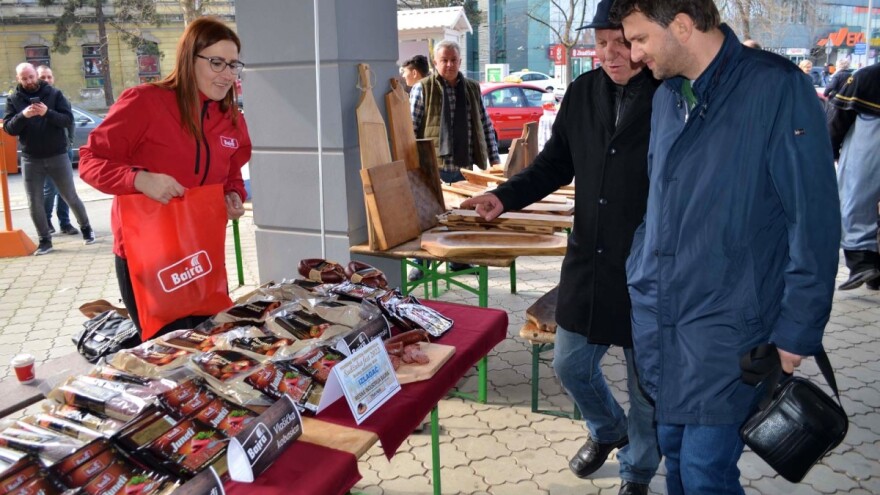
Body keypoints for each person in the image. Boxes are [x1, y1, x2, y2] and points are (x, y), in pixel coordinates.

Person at [609, 0, 840, 493]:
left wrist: (797, 331)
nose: (633, 54)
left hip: (731, 331)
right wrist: (639, 267)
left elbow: (814, 220)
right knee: (675, 456)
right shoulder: (667, 96)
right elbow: (658, 201)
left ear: (682, 26)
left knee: (703, 472)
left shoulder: (776, 87)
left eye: (640, 39)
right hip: (662, 321)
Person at [460, 1, 660, 493]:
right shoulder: (583, 92)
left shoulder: (669, 93)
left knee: (647, 387)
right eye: (602, 44)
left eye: (622, 43)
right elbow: (554, 164)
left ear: (642, 41)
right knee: (570, 363)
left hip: (649, 266)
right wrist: (503, 196)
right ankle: (607, 428)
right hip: (590, 258)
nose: (610, 54)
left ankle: (637, 468)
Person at [79, 17, 251, 339]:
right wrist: (139, 179)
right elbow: (90, 160)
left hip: (202, 250)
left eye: (233, 65)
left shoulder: (230, 118)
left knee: (211, 344)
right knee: (167, 350)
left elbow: (231, 171)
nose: (228, 75)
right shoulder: (145, 101)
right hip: (149, 253)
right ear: (189, 58)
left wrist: (233, 194)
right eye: (217, 63)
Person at [409, 40, 501, 278]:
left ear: (460, 62)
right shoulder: (423, 88)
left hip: (463, 166)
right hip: (432, 167)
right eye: (444, 60)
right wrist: (410, 165)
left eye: (453, 60)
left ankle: (458, 261)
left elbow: (485, 124)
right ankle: (422, 264)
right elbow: (410, 129)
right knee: (428, 216)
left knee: (462, 217)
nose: (449, 64)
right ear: (435, 62)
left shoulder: (472, 88)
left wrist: (494, 160)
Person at [2, 63, 96, 255]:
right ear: (18, 79)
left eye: (31, 77)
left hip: (57, 154)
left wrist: (47, 112)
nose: (29, 81)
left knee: (69, 195)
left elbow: (67, 120)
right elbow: (9, 128)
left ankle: (86, 228)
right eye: (24, 78)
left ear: (35, 75)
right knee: (34, 201)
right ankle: (45, 240)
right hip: (31, 158)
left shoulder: (54, 94)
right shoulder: (14, 99)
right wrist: (23, 115)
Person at [827, 63, 880, 290]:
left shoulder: (868, 76)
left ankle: (862, 261)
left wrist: (830, 149)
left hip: (871, 136)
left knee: (855, 196)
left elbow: (838, 118)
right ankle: (870, 269)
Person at [36, 65, 78, 237]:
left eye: (49, 77)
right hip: (45, 153)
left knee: (65, 191)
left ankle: (65, 223)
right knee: (50, 190)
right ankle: (46, 222)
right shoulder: (34, 101)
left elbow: (70, 121)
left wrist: (70, 141)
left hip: (64, 150)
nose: (46, 80)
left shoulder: (60, 97)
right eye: (42, 77)